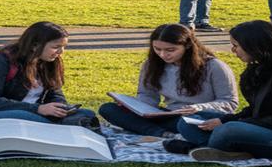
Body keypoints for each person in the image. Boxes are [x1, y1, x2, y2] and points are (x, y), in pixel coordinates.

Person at [167, 20, 272, 162]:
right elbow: (257, 109)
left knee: (229, 130)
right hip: (271, 128)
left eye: (236, 46)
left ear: (255, 46)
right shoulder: (264, 67)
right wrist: (225, 119)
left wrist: (231, 124)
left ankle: (208, 147)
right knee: (188, 120)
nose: (233, 51)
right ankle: (226, 149)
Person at [98, 23, 238, 138]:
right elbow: (148, 96)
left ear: (187, 46)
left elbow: (229, 103)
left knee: (185, 123)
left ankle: (155, 132)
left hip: (201, 115)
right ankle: (161, 134)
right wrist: (131, 106)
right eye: (157, 49)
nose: (163, 54)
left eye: (170, 50)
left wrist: (198, 107)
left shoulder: (214, 66)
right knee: (108, 109)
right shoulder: (152, 64)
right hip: (167, 114)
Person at [0, 22, 96, 132]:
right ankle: (67, 128)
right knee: (41, 122)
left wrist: (60, 108)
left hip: (28, 110)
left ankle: (67, 125)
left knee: (87, 114)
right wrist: (38, 109)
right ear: (35, 45)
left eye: (64, 47)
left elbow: (55, 93)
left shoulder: (48, 62)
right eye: (56, 47)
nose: (61, 52)